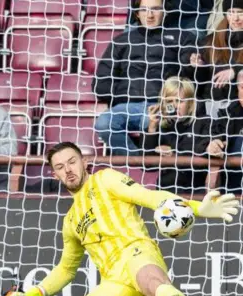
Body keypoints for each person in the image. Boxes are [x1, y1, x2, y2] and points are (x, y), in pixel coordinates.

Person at [2, 142, 239, 296]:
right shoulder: (71, 221)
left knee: (152, 282)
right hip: (114, 281)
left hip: (137, 253)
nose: (68, 170)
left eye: (72, 161)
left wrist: (197, 208)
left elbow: (149, 197)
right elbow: (65, 270)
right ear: (55, 174)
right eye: (61, 167)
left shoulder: (105, 179)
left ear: (84, 161)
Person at [93, 0, 197, 155]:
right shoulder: (121, 40)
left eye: (155, 9)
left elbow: (190, 78)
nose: (149, 15)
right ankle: (136, 159)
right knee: (103, 123)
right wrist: (121, 93)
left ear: (165, 11)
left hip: (163, 105)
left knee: (157, 122)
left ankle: (153, 159)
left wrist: (193, 66)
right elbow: (100, 82)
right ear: (137, 13)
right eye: (144, 10)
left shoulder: (182, 38)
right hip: (127, 106)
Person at [142, 76, 213, 192]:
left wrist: (174, 155)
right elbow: (147, 166)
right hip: (166, 192)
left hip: (195, 191)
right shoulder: (162, 127)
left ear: (190, 102)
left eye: (180, 101)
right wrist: (152, 128)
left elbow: (202, 158)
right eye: (170, 101)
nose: (174, 106)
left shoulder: (204, 123)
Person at [186, 0, 243, 119]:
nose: (236, 18)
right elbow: (197, 83)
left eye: (240, 12)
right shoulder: (210, 41)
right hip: (212, 107)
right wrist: (197, 67)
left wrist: (236, 71)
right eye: (231, 12)